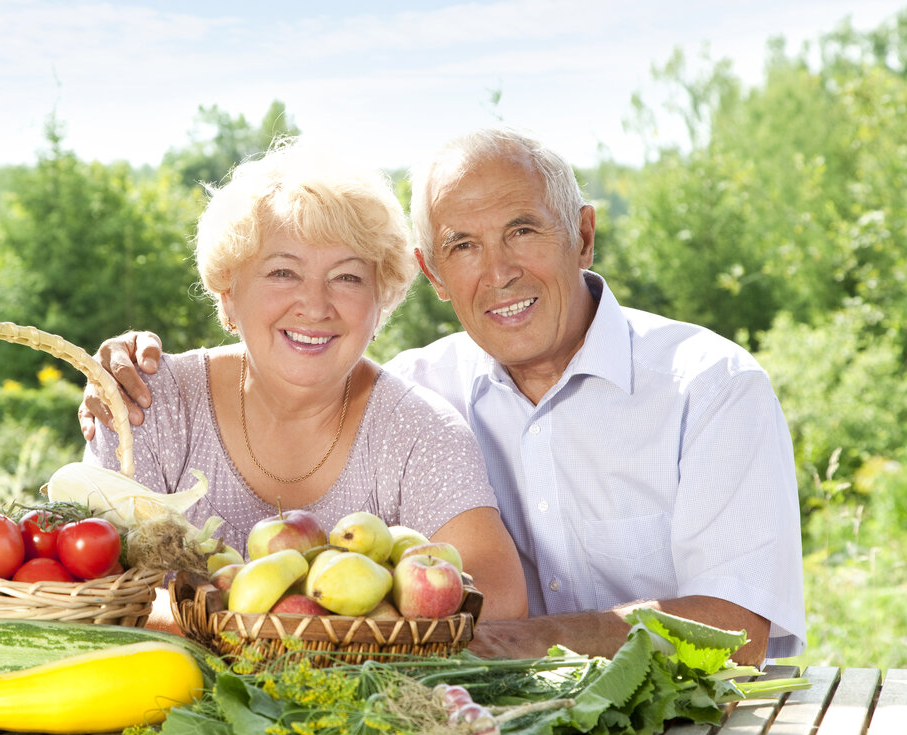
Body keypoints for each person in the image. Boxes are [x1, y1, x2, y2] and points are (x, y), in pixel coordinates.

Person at [82, 127, 807, 666]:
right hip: (490, 723)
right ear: (433, 274)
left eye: (522, 230)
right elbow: (84, 583)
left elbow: (736, 632)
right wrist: (121, 372)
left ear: (583, 236)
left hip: (699, 729)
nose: (498, 273)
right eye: (463, 245)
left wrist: (503, 642)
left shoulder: (710, 387)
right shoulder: (425, 386)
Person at [82, 138, 529, 631]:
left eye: (347, 278)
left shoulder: (421, 430)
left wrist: (289, 633)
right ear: (228, 297)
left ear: (379, 304)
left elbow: (501, 601)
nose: (315, 306)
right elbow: (86, 582)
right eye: (283, 272)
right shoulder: (151, 400)